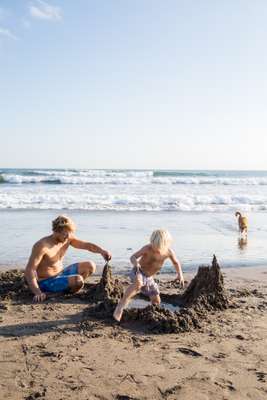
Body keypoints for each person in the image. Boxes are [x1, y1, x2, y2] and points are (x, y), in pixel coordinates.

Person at [25, 215, 111, 302]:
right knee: (78, 280)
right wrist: (37, 292)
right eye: (65, 234)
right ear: (56, 231)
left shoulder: (67, 238)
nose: (67, 237)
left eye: (69, 233)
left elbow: (86, 245)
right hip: (46, 282)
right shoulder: (42, 246)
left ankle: (68, 289)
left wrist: (102, 251)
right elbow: (30, 270)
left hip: (61, 274)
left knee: (90, 265)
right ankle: (58, 292)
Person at [113, 229, 184, 322]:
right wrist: (135, 263)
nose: (155, 248)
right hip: (138, 271)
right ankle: (120, 306)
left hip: (149, 278)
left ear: (166, 244)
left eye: (158, 246)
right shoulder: (147, 248)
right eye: (153, 244)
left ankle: (152, 313)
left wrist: (180, 275)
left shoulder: (168, 252)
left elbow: (176, 262)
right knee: (138, 284)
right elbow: (133, 257)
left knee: (156, 300)